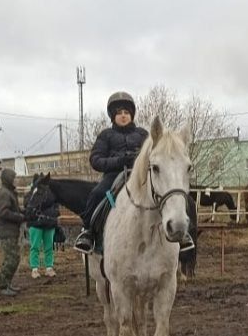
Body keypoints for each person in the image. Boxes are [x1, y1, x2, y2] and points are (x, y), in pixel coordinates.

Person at [73, 91, 194, 254]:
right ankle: (88, 233)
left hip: (141, 176)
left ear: (131, 115)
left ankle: (183, 232)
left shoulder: (143, 134)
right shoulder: (106, 135)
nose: (123, 116)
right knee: (96, 194)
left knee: (176, 194)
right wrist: (119, 161)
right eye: (119, 113)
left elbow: (155, 155)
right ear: (113, 116)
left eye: (126, 113)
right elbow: (96, 160)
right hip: (113, 176)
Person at [0, 168, 25, 296]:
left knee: (14, 258)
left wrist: (24, 212)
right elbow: (3, 212)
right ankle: (2, 285)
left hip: (12, 231)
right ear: (8, 179)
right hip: (7, 232)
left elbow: (14, 209)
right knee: (11, 259)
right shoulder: (4, 193)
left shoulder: (9, 193)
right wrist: (20, 217)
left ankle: (7, 284)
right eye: (14, 178)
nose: (16, 180)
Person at [24, 183, 59, 278]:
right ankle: (35, 269)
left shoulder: (51, 196)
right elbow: (27, 206)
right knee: (35, 247)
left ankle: (49, 267)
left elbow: (56, 209)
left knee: (49, 247)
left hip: (48, 224)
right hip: (36, 224)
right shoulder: (32, 195)